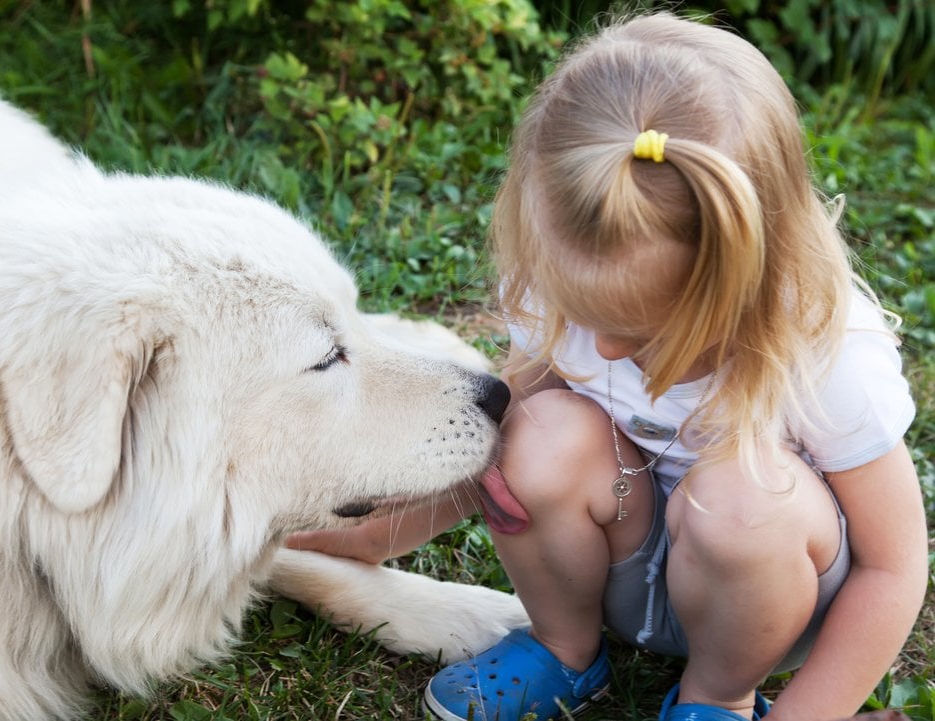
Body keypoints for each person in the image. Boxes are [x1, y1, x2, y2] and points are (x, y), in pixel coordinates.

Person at [287, 11, 929, 721]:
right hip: (627, 563)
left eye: (644, 331)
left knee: (740, 500)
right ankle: (566, 648)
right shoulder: (567, 282)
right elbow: (491, 443)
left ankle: (717, 699)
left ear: (745, 276)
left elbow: (892, 566)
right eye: (587, 318)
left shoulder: (824, 354)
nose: (609, 351)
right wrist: (377, 531)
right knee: (533, 429)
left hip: (763, 593)